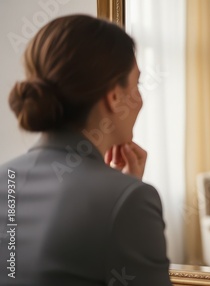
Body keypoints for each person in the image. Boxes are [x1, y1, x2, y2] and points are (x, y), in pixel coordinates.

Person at [0, 15, 172, 285]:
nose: (140, 100)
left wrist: (121, 191)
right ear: (114, 96)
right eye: (136, 84)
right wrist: (123, 196)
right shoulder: (131, 200)